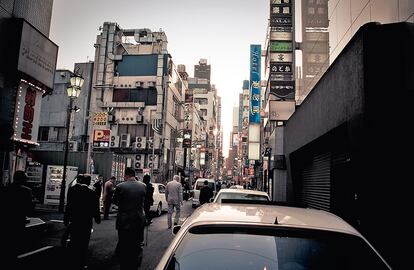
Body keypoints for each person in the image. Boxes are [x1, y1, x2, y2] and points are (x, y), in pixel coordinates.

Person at [63, 175, 101, 269]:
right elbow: (95, 208)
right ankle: (81, 262)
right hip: (86, 220)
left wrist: (66, 218)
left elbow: (69, 205)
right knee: (84, 241)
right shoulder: (92, 193)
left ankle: (70, 259)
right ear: (88, 182)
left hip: (75, 219)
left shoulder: (73, 191)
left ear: (81, 180)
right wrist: (97, 218)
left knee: (74, 239)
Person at [112, 167, 146, 270]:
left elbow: (115, 201)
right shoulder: (143, 186)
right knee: (136, 243)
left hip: (124, 220)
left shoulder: (120, 186)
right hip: (138, 219)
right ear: (134, 175)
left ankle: (124, 264)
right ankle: (135, 263)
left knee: (124, 242)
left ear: (126, 175)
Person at [0, 170, 34, 266]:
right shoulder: (26, 191)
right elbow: (29, 209)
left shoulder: (5, 189)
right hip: (18, 219)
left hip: (5, 219)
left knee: (5, 241)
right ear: (23, 179)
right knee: (16, 242)